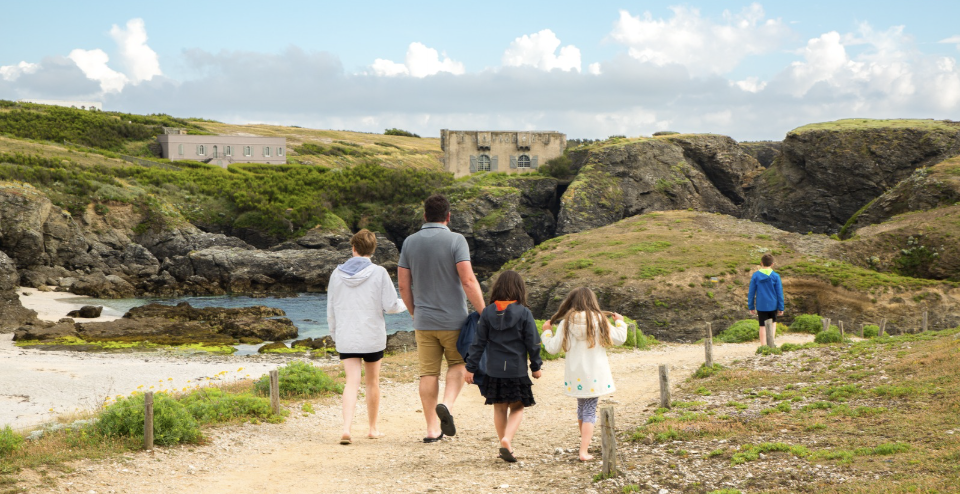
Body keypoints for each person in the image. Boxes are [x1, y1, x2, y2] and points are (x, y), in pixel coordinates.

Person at [398, 194, 486, 443]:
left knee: (427, 374)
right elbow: (468, 281)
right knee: (457, 365)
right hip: (454, 321)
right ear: (448, 216)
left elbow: (404, 286)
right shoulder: (456, 240)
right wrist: (483, 312)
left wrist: (415, 312)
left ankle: (431, 430)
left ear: (424, 216)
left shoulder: (409, 243)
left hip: (424, 321)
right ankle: (446, 404)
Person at [328, 229, 407, 445]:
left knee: (351, 383)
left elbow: (331, 309)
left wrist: (336, 334)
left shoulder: (336, 274)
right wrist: (405, 304)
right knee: (372, 382)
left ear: (353, 248)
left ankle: (346, 428)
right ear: (372, 250)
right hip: (372, 337)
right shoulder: (379, 272)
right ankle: (372, 429)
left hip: (347, 336)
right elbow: (391, 306)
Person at [464, 270, 543, 463]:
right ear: (519, 289)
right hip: (516, 369)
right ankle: (508, 439)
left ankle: (503, 443)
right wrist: (536, 366)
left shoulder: (488, 312)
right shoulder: (524, 312)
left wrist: (470, 367)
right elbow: (533, 342)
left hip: (494, 370)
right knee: (517, 407)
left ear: (497, 288)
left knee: (499, 409)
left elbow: (478, 343)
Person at [541, 287, 627, 461]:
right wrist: (620, 322)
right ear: (592, 301)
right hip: (595, 374)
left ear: (572, 302)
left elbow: (552, 349)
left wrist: (546, 331)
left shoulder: (566, 322)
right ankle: (584, 451)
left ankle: (584, 444)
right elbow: (619, 338)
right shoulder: (599, 319)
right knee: (588, 410)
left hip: (575, 375)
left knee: (582, 408)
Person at [747, 253, 785, 345]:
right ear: (772, 264)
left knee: (762, 326)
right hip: (773, 304)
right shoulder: (776, 276)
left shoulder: (756, 275)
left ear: (761, 263)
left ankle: (763, 346)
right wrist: (781, 307)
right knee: (773, 324)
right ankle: (771, 344)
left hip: (761, 305)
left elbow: (751, 292)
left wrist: (751, 306)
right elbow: (779, 293)